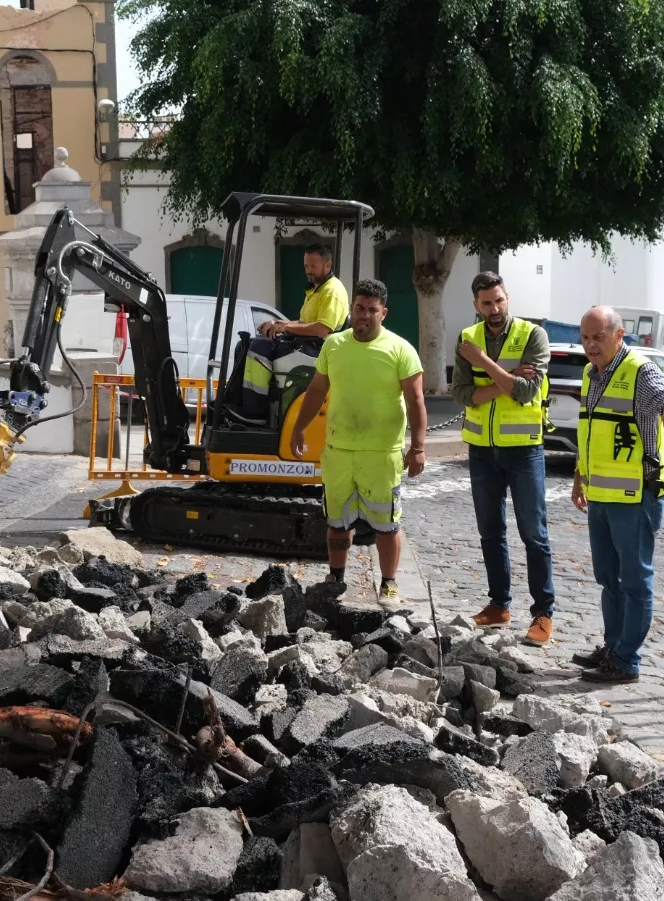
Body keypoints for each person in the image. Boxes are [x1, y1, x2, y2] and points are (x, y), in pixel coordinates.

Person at [571, 306, 664, 684]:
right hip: (601, 495)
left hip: (637, 494)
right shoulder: (591, 373)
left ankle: (626, 660)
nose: (590, 345)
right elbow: (589, 431)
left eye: (598, 337)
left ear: (619, 336)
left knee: (634, 580)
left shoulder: (638, 370)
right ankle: (613, 648)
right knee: (608, 578)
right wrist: (579, 475)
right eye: (585, 337)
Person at [290, 278, 426, 602]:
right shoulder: (333, 345)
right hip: (339, 452)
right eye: (359, 308)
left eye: (372, 310)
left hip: (381, 455)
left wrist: (418, 448)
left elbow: (416, 401)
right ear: (351, 309)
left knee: (386, 525)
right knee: (337, 523)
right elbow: (317, 391)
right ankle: (335, 577)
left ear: (384, 313)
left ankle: (388, 583)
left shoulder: (400, 350)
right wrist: (298, 428)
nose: (364, 315)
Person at [452, 272, 556, 646]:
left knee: (534, 534)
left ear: (507, 297)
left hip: (524, 450)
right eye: (486, 303)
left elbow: (527, 391)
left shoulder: (533, 336)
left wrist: (484, 364)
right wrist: (505, 379)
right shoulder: (467, 338)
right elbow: (462, 394)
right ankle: (499, 606)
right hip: (482, 450)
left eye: (499, 301)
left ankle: (543, 613)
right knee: (490, 532)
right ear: (475, 305)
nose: (494, 310)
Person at [236, 244, 349, 421]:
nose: (308, 271)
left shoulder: (332, 291)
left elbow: (322, 329)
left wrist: (285, 328)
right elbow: (304, 323)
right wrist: (277, 323)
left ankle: (255, 413)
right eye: (306, 266)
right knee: (245, 345)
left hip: (317, 350)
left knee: (259, 349)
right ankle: (240, 402)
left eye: (313, 266)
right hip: (308, 344)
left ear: (328, 266)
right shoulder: (316, 289)